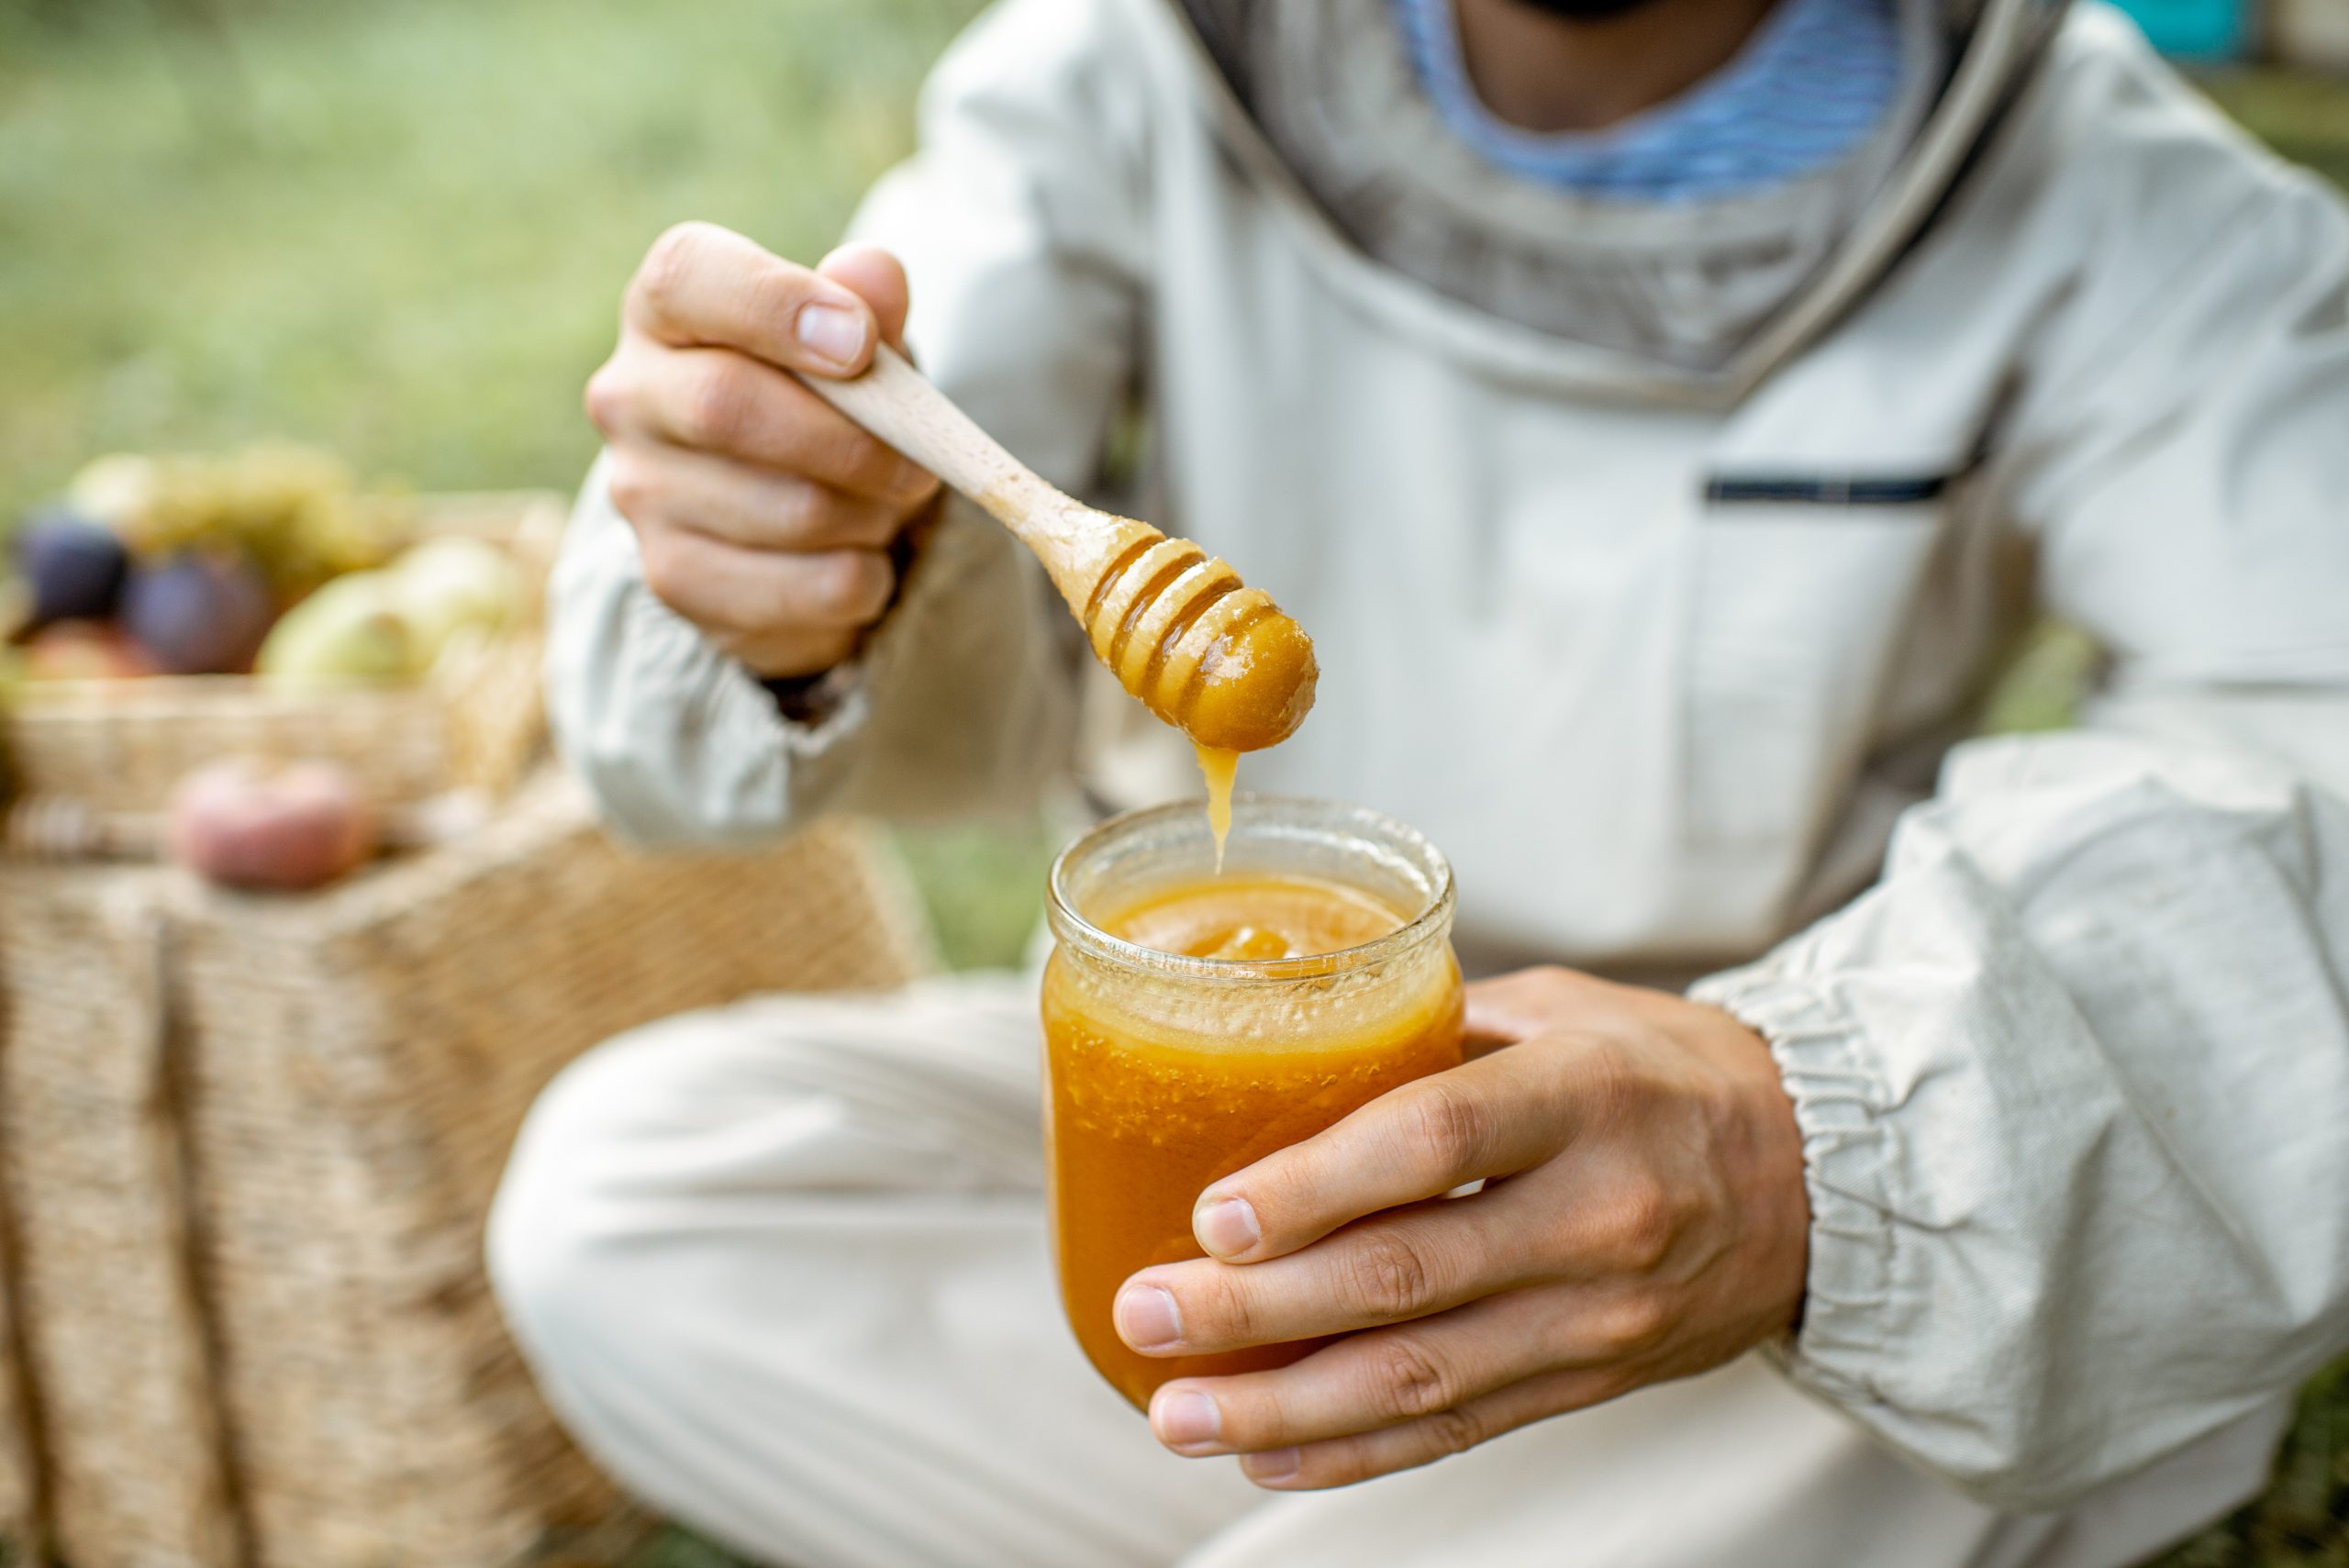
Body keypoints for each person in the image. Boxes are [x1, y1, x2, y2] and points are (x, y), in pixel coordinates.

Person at [485, 0, 2349, 1562]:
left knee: (2057, 1251)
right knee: (630, 1195)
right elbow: (858, 487)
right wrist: (791, 557)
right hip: (1215, 1121)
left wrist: (1807, 1144)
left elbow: (2308, 765)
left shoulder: (2131, 202)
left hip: (1735, 1168)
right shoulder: (1117, 73)